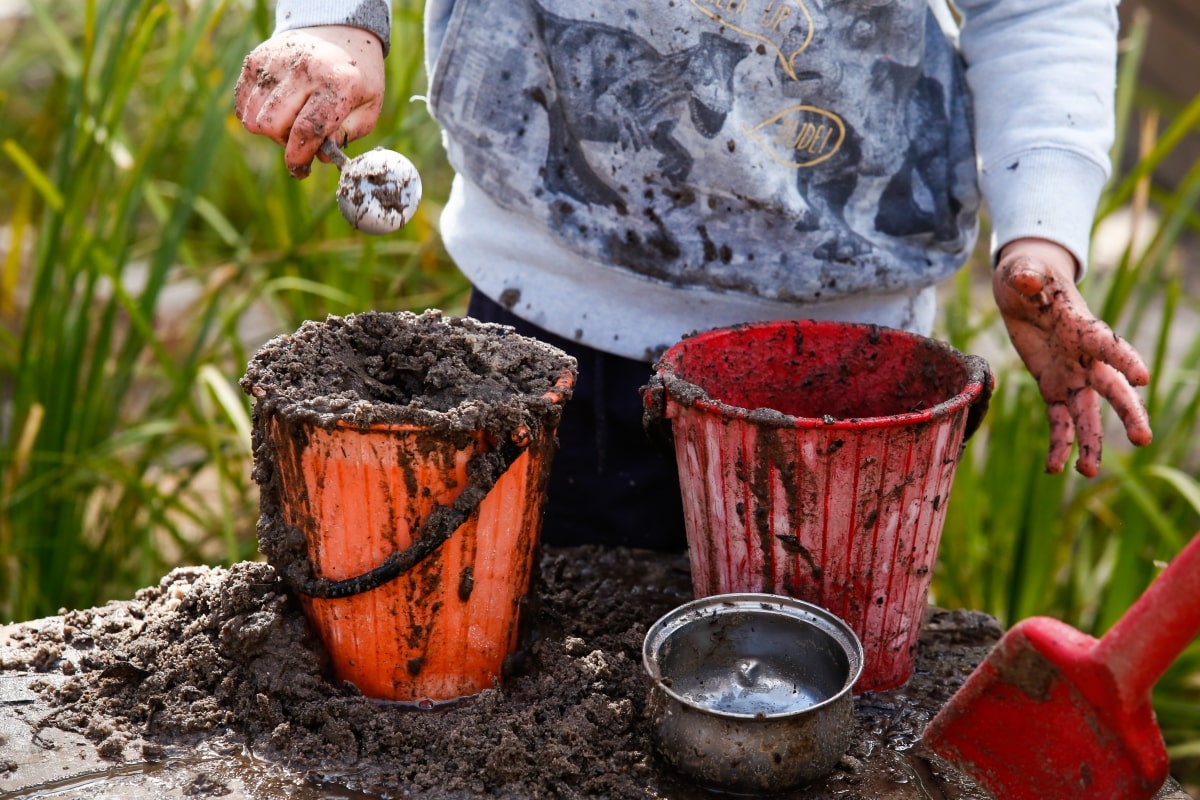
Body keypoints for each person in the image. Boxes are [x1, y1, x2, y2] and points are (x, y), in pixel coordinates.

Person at [235, 0, 1153, 551]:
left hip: (840, 365)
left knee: (810, 713)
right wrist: (335, 23)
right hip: (545, 323)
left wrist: (1041, 233)